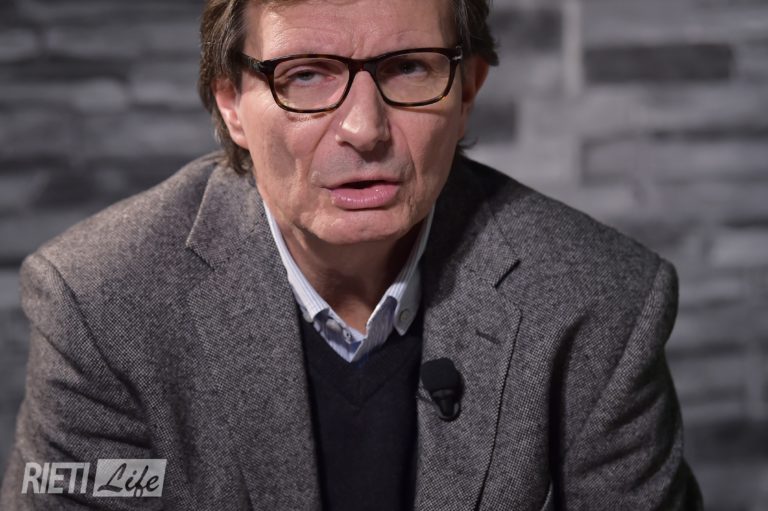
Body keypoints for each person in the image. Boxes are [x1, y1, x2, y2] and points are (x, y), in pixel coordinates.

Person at [1, 0, 703, 509]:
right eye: (306, 75)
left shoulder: (600, 300)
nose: (365, 128)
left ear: (468, 90)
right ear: (231, 101)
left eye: (409, 68)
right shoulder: (100, 302)